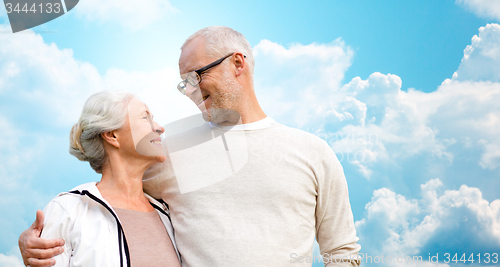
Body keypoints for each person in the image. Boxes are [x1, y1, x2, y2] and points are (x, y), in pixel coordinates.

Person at [19, 26, 361, 266]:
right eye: (183, 83)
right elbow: (113, 194)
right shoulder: (166, 152)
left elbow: (342, 251)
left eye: (197, 75)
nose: (190, 90)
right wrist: (37, 242)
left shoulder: (313, 153)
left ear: (237, 64)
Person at [21, 91, 182, 267]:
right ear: (112, 135)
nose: (160, 127)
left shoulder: (167, 214)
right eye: (145, 118)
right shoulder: (68, 210)